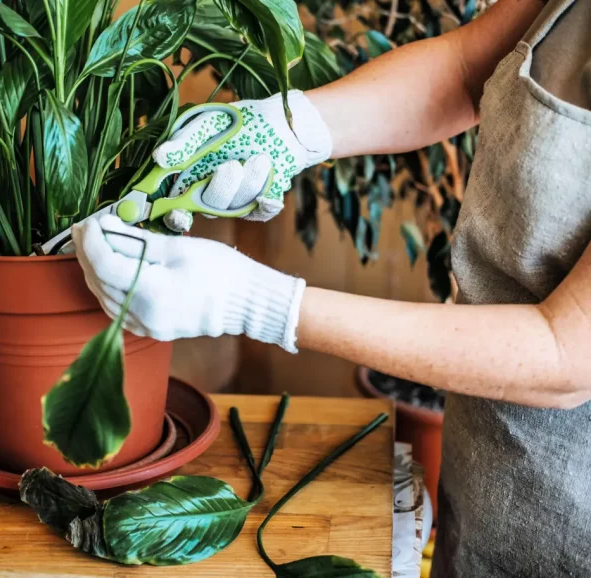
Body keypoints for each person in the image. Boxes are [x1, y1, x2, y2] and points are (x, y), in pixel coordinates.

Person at [73, 0, 591, 575]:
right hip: (485, 481)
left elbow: (566, 353)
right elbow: (470, 65)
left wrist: (254, 302)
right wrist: (291, 129)